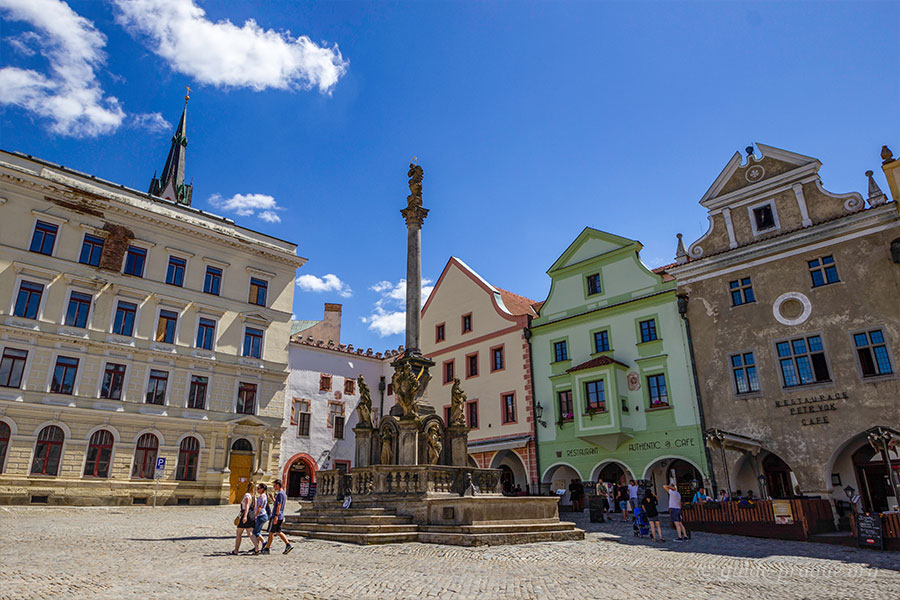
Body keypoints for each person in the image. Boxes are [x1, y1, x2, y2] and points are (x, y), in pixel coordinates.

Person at [262, 479, 293, 555]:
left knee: (271, 532)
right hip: (280, 516)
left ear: (278, 485)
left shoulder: (280, 494)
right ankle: (288, 544)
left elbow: (279, 505)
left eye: (274, 485)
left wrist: (275, 516)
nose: (274, 487)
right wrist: (273, 499)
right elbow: (278, 503)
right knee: (278, 532)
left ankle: (267, 548)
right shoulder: (283, 494)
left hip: (276, 516)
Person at [231, 485, 255, 555]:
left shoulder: (247, 495)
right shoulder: (253, 496)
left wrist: (245, 516)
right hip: (250, 515)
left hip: (245, 515)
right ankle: (256, 548)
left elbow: (247, 506)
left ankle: (236, 550)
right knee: (250, 533)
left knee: (239, 533)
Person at [251, 483, 269, 554]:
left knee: (255, 532)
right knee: (257, 531)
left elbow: (259, 507)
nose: (258, 490)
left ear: (262, 489)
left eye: (259, 488)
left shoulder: (261, 497)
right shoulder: (265, 496)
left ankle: (264, 542)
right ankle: (256, 546)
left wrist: (255, 515)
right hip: (264, 515)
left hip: (261, 516)